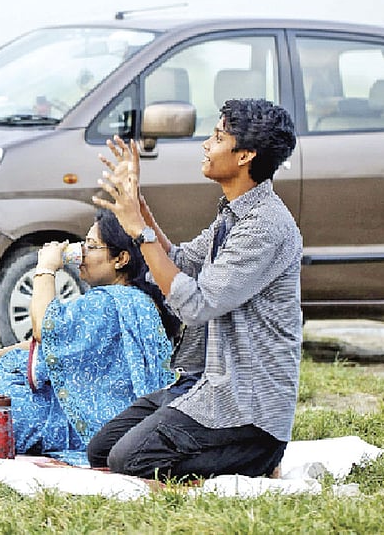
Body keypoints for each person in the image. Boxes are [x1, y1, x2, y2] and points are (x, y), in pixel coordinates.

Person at [86, 98, 302, 481]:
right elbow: (182, 263)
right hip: (203, 382)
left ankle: (258, 459)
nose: (206, 144)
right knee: (102, 450)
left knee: (127, 461)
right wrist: (138, 205)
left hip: (246, 406)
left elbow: (196, 305)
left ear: (245, 156)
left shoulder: (265, 226)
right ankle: (234, 454)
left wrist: (140, 231)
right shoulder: (233, 214)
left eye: (218, 136)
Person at [0, 210, 175, 465]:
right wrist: (0, 355)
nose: (82, 255)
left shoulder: (109, 302)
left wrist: (46, 268)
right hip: (106, 416)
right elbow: (57, 341)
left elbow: (44, 328)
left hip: (82, 422)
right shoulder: (134, 299)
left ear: (121, 259)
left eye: (91, 247)